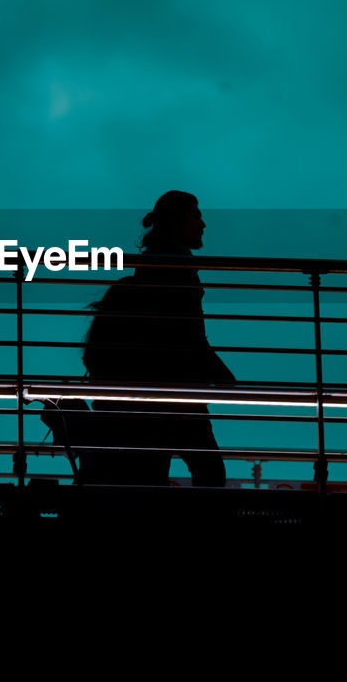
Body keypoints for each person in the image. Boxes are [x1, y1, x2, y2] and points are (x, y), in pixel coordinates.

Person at [76, 191, 234, 487]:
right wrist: (224, 377)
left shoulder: (152, 266)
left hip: (149, 391)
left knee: (152, 476)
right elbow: (188, 334)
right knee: (209, 473)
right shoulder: (176, 270)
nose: (202, 223)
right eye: (195, 215)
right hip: (175, 390)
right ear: (175, 222)